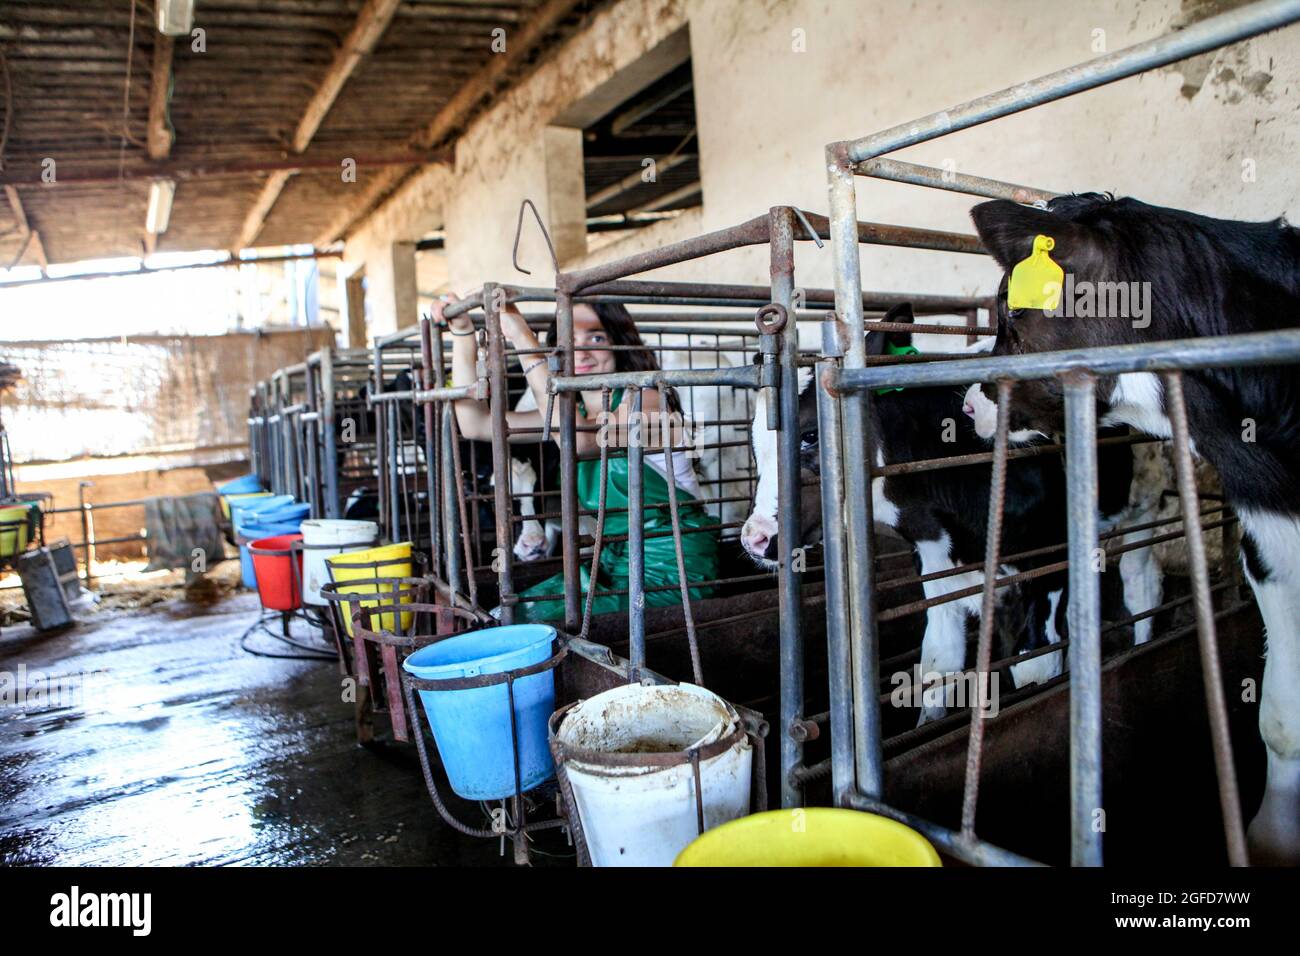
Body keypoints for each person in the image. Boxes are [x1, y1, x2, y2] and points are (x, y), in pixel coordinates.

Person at [434, 293, 719, 623]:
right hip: (613, 562)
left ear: (619, 344)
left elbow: (579, 440)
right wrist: (462, 333)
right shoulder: (572, 412)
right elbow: (475, 424)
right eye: (568, 341)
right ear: (556, 351)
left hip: (675, 568)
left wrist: (524, 340)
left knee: (545, 626)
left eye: (596, 337)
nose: (580, 352)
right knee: (505, 616)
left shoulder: (647, 397)